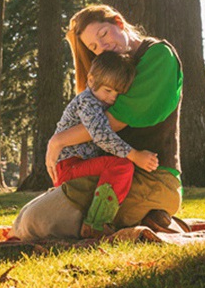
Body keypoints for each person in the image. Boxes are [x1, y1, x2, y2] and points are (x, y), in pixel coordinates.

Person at [11, 4, 183, 240]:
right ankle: (140, 218)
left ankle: (136, 216)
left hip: (153, 178)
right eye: (94, 46)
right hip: (113, 171)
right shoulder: (110, 72)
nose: (103, 46)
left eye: (103, 34)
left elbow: (112, 124)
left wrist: (57, 141)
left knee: (33, 223)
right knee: (24, 218)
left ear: (119, 23)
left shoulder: (158, 56)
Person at [52, 50, 159, 238]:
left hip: (78, 163)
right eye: (108, 91)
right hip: (69, 166)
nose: (112, 98)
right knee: (122, 166)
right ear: (91, 80)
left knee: (116, 167)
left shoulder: (101, 101)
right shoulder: (88, 102)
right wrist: (135, 155)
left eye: (118, 93)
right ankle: (95, 224)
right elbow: (101, 135)